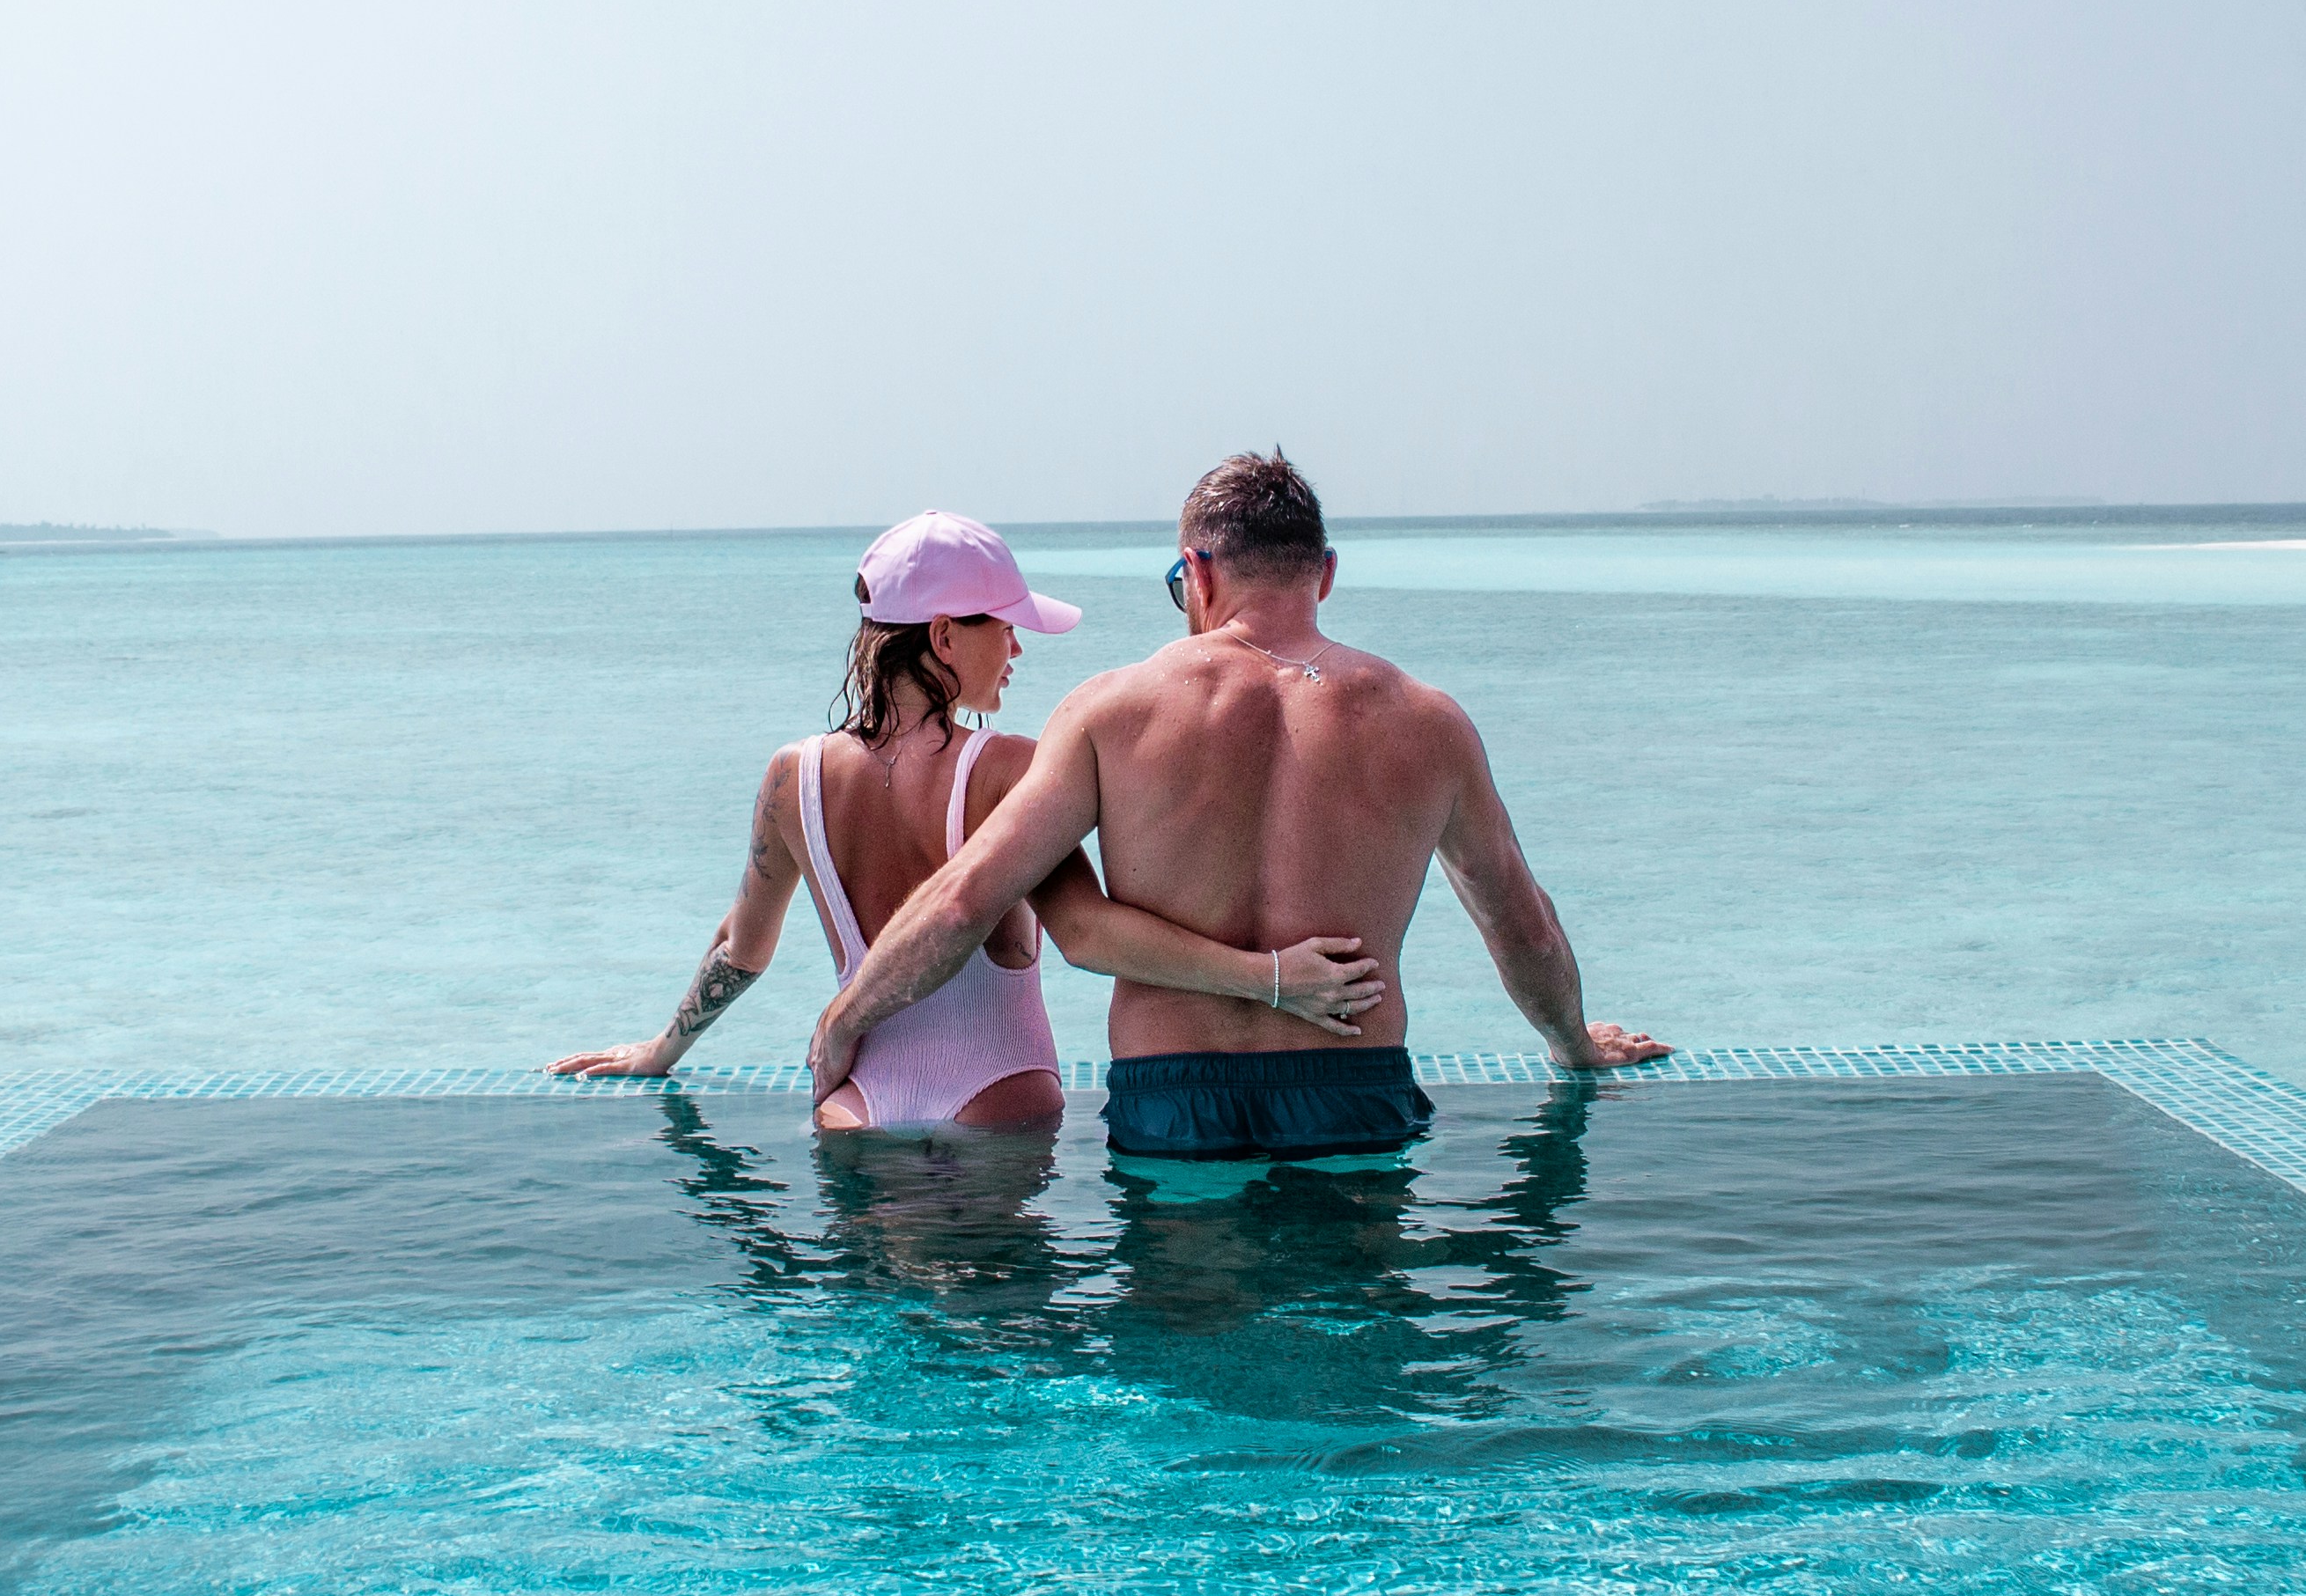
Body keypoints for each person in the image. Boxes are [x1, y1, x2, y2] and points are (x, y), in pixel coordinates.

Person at [808, 455, 1669, 1160]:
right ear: (1325, 575)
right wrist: (1573, 1045)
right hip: (1352, 1090)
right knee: (1350, 1316)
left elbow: (965, 901)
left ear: (1198, 573)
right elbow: (1519, 924)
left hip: (1172, 1100)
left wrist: (845, 1023)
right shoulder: (1427, 721)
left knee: (1183, 1319)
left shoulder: (1110, 710)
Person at [550, 508, 1385, 1129]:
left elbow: (743, 946)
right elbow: (1087, 931)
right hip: (998, 1100)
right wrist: (1271, 979)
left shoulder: (791, 777)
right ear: (945, 637)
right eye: (1007, 628)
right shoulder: (1009, 768)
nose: (1018, 649)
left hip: (856, 1105)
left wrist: (662, 1050)